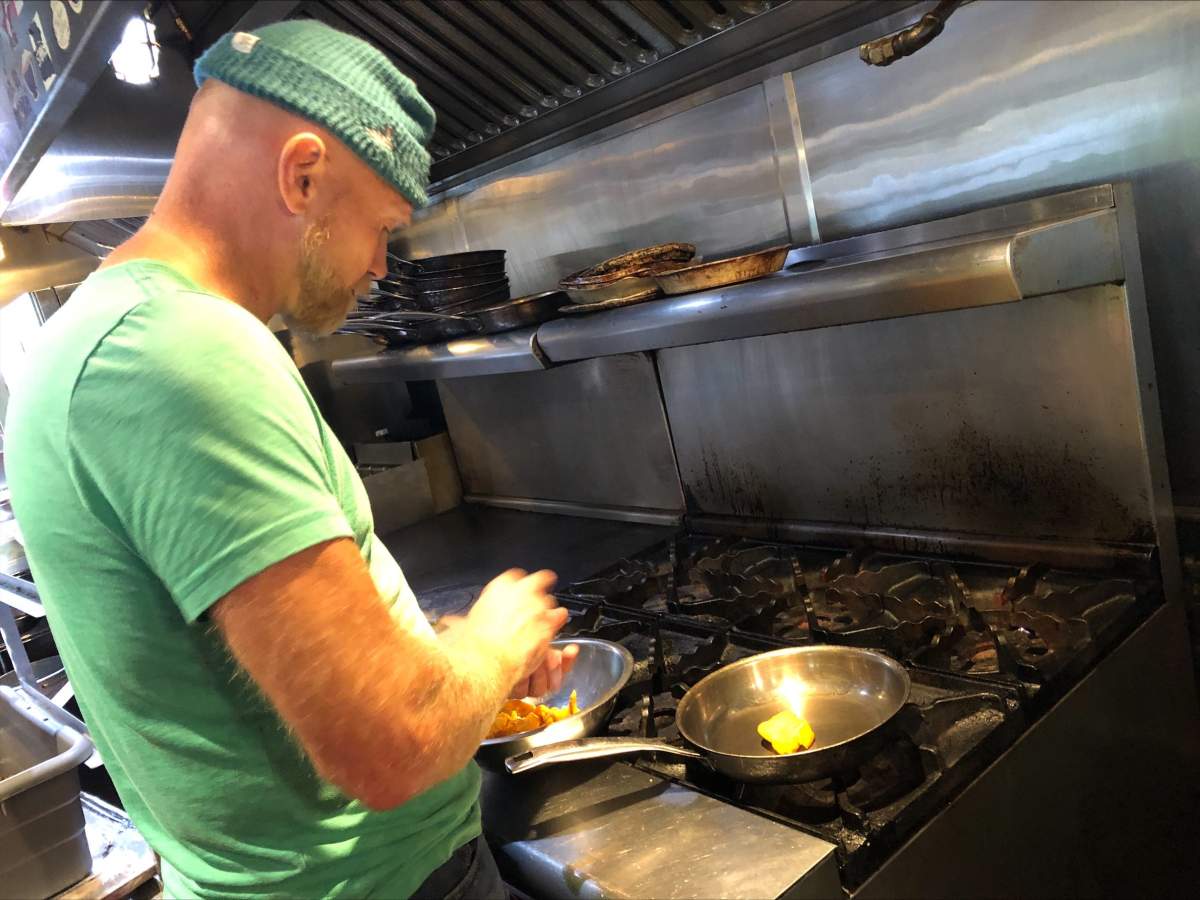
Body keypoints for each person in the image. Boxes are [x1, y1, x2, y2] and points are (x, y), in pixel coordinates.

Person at [4, 20, 575, 899]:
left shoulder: (90, 335)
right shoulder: (180, 352)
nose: (383, 266)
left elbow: (256, 677)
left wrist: (451, 664)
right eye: (383, 225)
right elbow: (391, 748)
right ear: (302, 173)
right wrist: (496, 640)